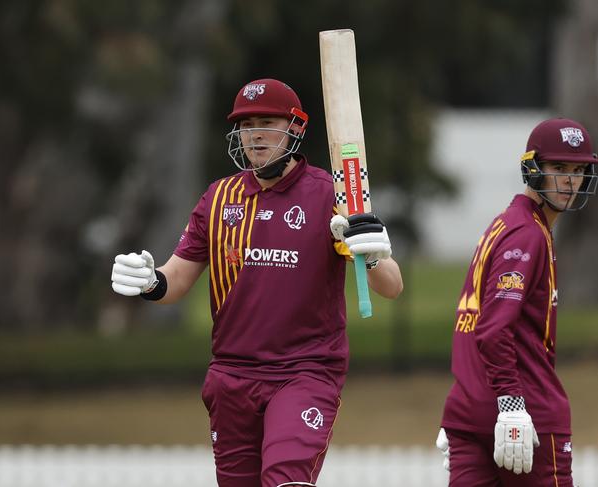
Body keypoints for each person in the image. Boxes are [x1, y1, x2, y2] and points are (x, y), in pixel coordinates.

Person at [111, 78, 403, 487]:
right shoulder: (219, 198)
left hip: (304, 371)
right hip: (231, 374)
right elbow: (175, 279)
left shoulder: (329, 196)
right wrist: (149, 281)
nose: (256, 134)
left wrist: (373, 255)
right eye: (246, 125)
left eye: (267, 122)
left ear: (294, 128)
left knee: (286, 480)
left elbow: (391, 286)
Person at [435, 117, 598, 486]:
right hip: (526, 414)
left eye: (578, 170)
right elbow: (492, 329)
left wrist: (468, 403)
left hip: (470, 414)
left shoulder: (506, 224)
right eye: (558, 168)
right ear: (532, 168)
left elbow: (471, 319)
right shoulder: (527, 233)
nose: (569, 180)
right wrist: (510, 406)